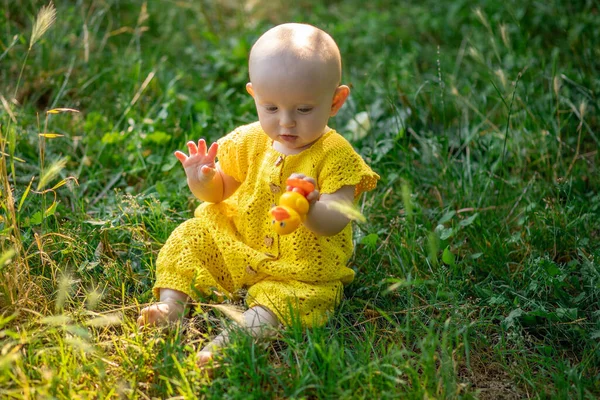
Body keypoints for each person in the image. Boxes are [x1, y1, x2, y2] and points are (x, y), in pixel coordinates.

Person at [138, 22, 379, 366]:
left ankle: (228, 342)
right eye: (271, 108)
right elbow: (218, 191)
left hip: (301, 266)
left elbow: (337, 218)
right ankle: (171, 305)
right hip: (239, 242)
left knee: (288, 302)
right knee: (192, 236)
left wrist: (312, 208)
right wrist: (200, 178)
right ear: (254, 95)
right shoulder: (249, 140)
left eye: (304, 109)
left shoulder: (336, 155)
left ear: (336, 101)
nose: (286, 123)